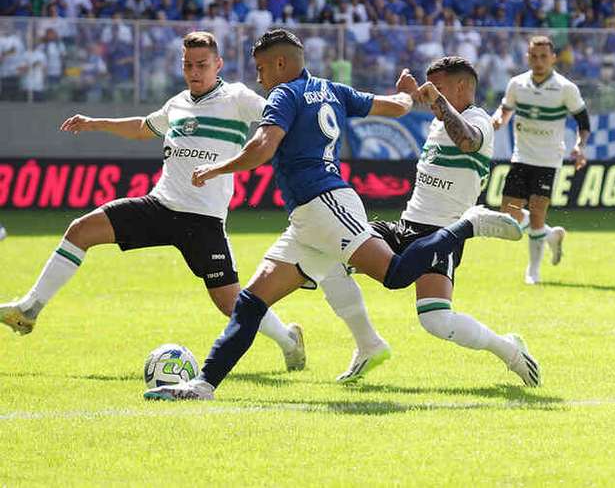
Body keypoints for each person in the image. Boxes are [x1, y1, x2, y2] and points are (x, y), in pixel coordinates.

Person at [143, 29, 523, 401]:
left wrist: (216, 169)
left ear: (280, 63)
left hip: (327, 204)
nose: (258, 77)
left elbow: (261, 146)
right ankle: (203, 386)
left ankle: (468, 225)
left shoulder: (284, 94)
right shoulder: (333, 89)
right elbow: (394, 107)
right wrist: (407, 95)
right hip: (307, 219)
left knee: (395, 275)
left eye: (260, 68)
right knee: (251, 302)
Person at [0, 31, 307, 373]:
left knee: (229, 302)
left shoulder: (237, 97)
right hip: (159, 206)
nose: (194, 71)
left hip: (203, 220)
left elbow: (279, 118)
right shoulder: (176, 104)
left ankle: (288, 339)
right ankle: (29, 309)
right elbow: (142, 127)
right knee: (81, 230)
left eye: (202, 64)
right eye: (188, 64)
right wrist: (94, 123)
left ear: (218, 64)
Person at [327, 56, 540, 387]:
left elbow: (466, 140)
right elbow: (441, 116)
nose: (430, 95)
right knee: (332, 254)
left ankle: (509, 350)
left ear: (462, 87)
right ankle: (368, 344)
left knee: (436, 321)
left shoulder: (479, 120)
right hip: (405, 225)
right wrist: (417, 97)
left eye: (437, 88)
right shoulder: (438, 121)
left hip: (443, 234)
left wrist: (434, 100)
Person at [491, 35, 590, 285]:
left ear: (553, 58)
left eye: (544, 56)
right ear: (527, 57)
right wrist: (496, 121)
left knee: (537, 214)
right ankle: (549, 236)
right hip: (521, 157)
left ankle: (533, 272)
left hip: (548, 160)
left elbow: (583, 122)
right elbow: (504, 110)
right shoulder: (517, 84)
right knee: (508, 214)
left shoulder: (565, 88)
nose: (539, 61)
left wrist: (579, 147)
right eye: (534, 56)